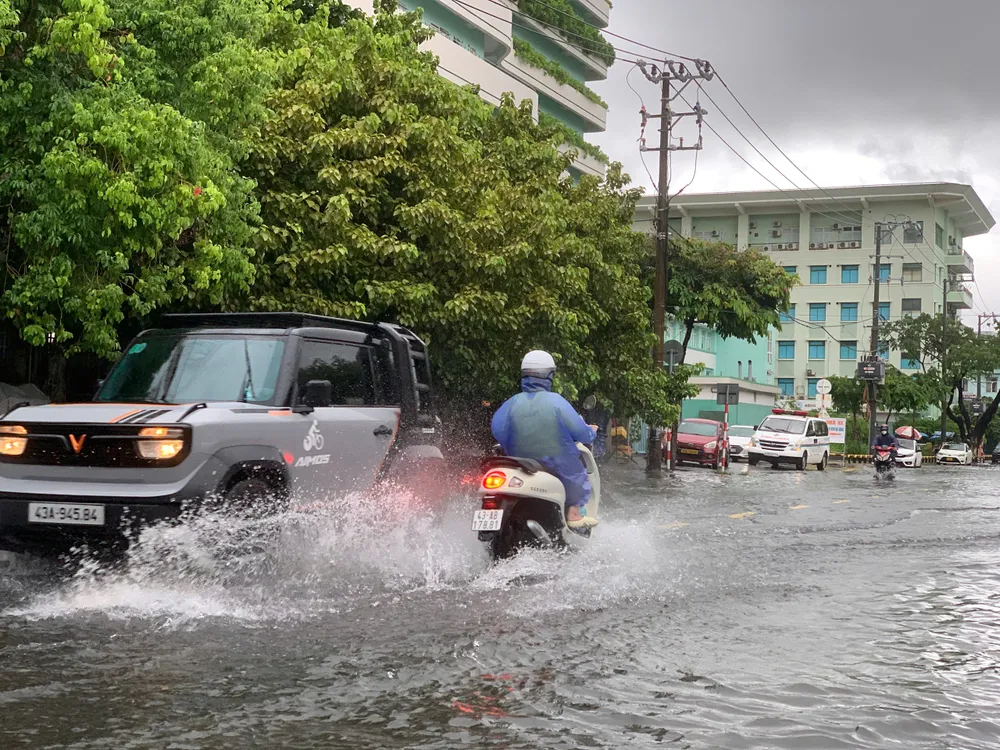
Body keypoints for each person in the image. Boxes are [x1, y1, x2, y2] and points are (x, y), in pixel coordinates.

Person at [491, 351, 598, 529]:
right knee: (576, 473)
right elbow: (580, 432)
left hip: (518, 462)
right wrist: (591, 432)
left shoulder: (512, 403)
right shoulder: (556, 402)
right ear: (549, 375)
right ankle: (574, 514)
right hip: (554, 462)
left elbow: (497, 429)